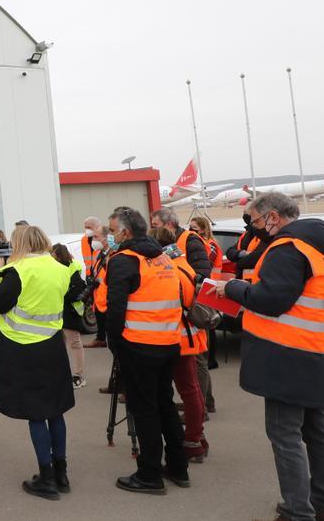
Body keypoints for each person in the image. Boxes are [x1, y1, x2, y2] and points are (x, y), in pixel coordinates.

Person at [216, 192, 324, 521]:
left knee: (285, 434)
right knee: (316, 431)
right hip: (316, 351)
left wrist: (231, 288)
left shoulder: (286, 248)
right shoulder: (318, 249)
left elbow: (271, 299)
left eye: (255, 220)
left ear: (272, 217)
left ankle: (297, 511)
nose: (255, 228)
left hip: (287, 354)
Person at [0, 225, 76, 499]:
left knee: (36, 413)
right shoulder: (60, 268)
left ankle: (46, 477)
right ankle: (62, 473)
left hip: (23, 348)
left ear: (20, 244)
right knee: (56, 410)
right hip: (53, 346)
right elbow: (73, 297)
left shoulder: (18, 272)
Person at [105, 207, 189, 495]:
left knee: (144, 410)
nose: (109, 236)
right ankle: (178, 466)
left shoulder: (124, 260)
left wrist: (114, 343)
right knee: (164, 404)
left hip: (139, 346)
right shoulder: (162, 257)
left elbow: (115, 310)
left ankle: (150, 473)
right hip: (168, 343)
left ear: (126, 233)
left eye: (112, 230)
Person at [152, 226, 209, 464]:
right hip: (189, 333)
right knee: (191, 389)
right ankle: (197, 437)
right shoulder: (182, 262)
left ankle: (193, 440)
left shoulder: (169, 268)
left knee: (188, 390)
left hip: (178, 336)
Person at [186, 216, 219, 413]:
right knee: (199, 357)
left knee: (201, 357)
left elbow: (204, 270)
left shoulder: (208, 245)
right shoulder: (200, 244)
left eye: (196, 228)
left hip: (208, 294)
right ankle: (207, 401)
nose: (192, 231)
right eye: (190, 228)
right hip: (206, 293)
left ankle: (205, 404)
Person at [51, 243, 88, 389]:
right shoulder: (56, 268)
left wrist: (59, 296)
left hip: (70, 311)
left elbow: (75, 293)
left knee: (74, 343)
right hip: (59, 310)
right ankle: (63, 374)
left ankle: (79, 376)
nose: (50, 257)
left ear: (59, 255)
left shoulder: (72, 268)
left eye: (52, 254)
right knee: (60, 345)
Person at [86, 225, 112, 351]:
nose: (93, 240)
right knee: (101, 320)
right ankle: (100, 339)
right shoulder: (100, 254)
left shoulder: (111, 255)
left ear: (106, 238)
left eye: (96, 237)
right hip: (99, 296)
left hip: (107, 298)